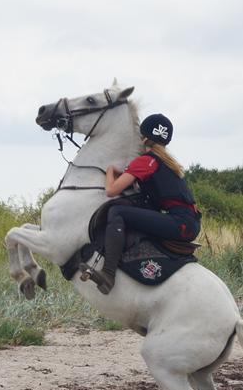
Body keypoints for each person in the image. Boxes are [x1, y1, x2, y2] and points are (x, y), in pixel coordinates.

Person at [82, 113, 201, 294]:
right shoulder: (165, 162)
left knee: (118, 212)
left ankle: (108, 274)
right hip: (187, 222)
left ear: (143, 137)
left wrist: (110, 171)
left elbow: (111, 191)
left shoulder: (146, 161)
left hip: (180, 223)